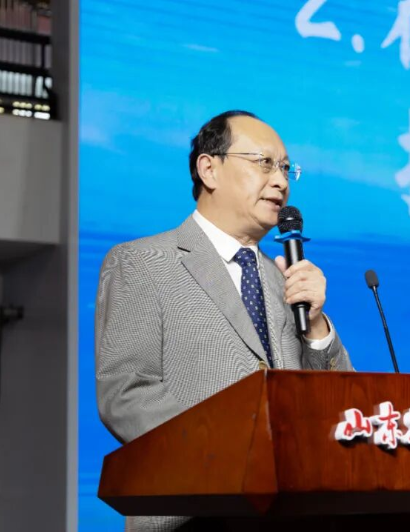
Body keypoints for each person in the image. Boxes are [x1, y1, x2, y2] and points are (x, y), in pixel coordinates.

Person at [95, 110, 353, 531]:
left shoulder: (286, 280)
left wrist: (318, 327)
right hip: (191, 514)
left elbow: (337, 407)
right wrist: (235, 455)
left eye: (286, 168)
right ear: (209, 169)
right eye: (264, 163)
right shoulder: (143, 263)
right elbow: (126, 394)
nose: (281, 181)